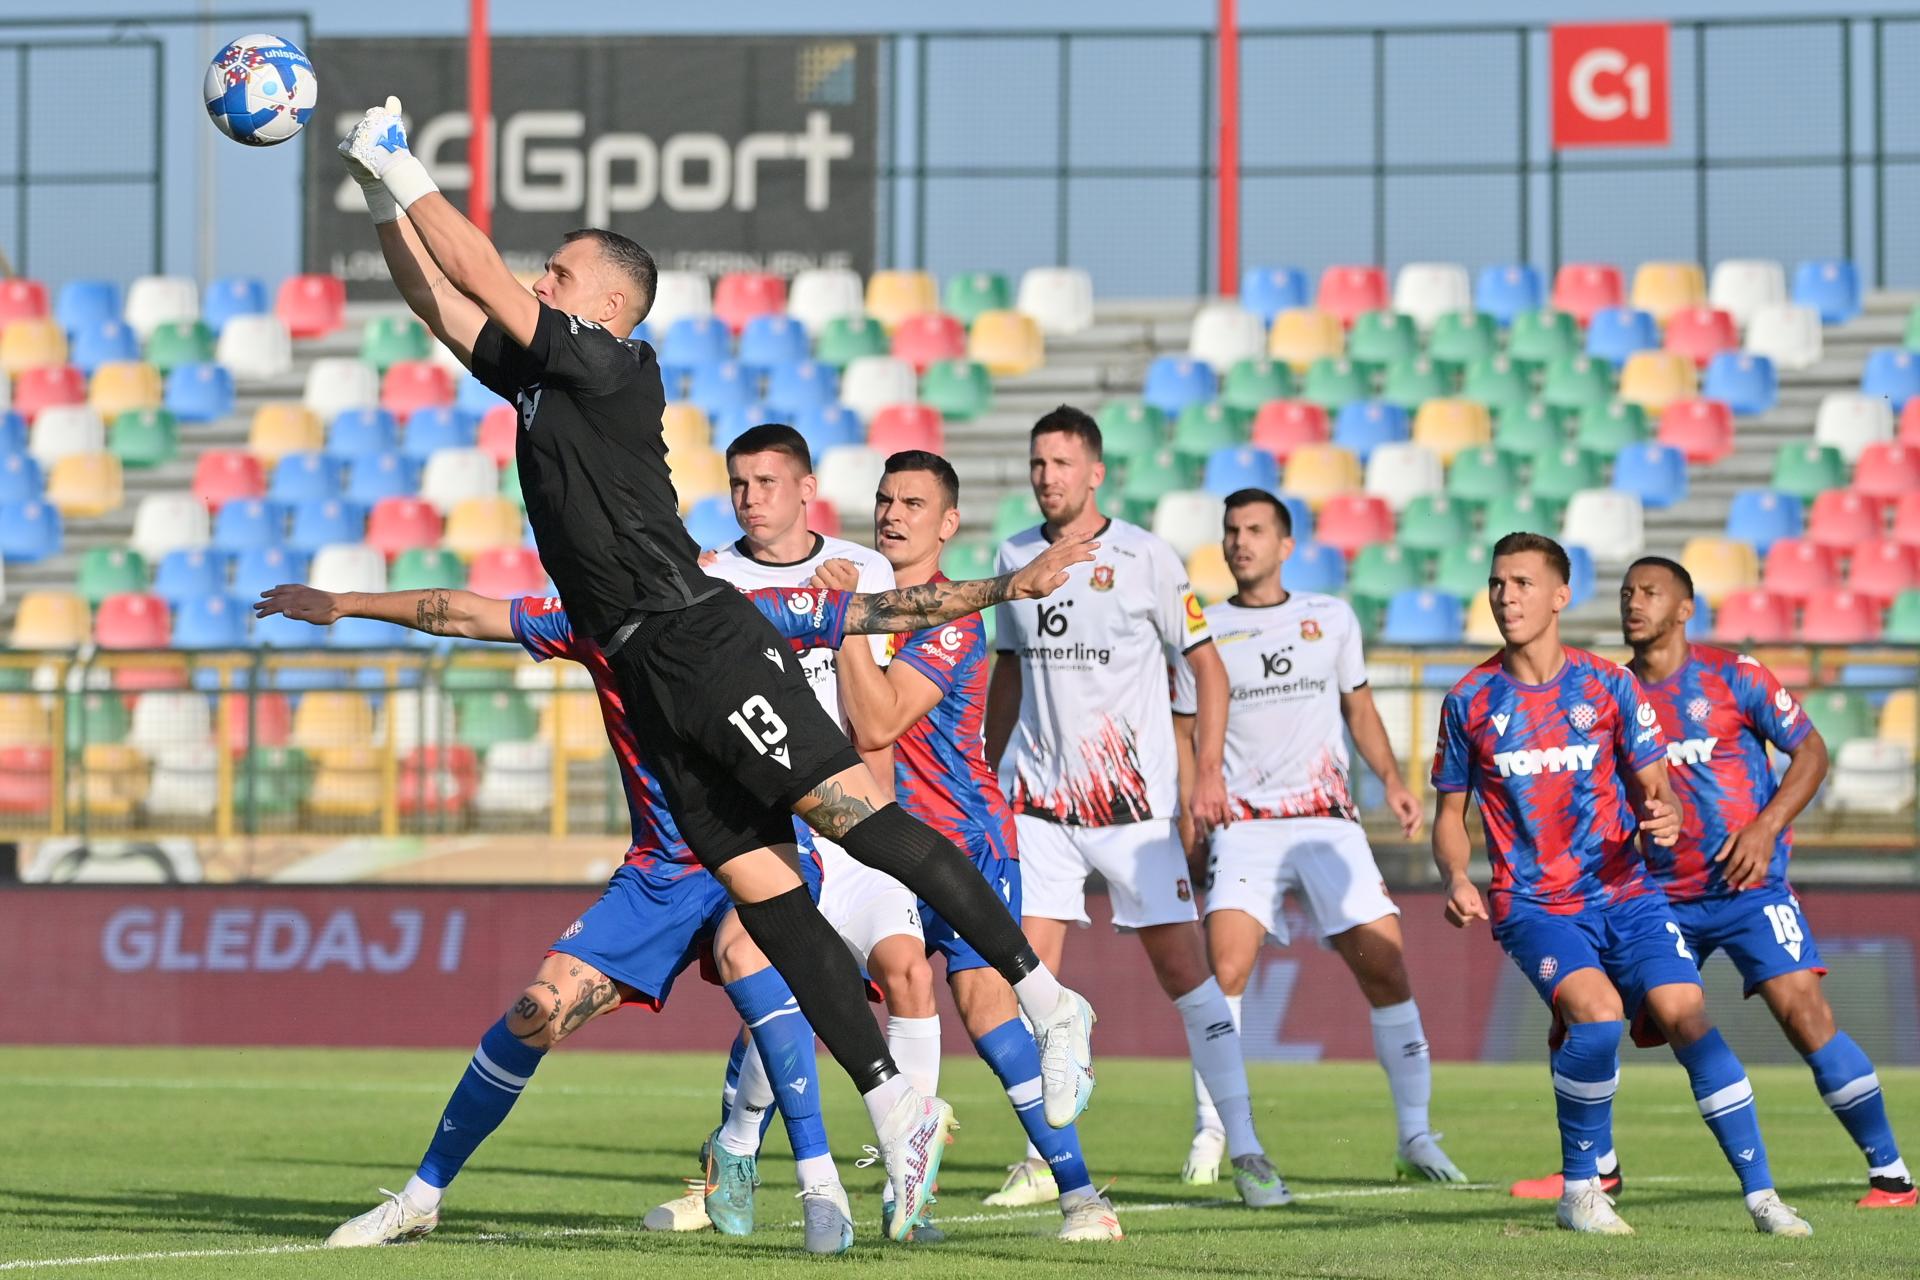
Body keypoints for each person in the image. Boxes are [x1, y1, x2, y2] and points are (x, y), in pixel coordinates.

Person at [336, 99, 1099, 1240]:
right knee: (764, 896)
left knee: (856, 819)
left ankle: (1050, 996)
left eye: (559, 273)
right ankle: (892, 1102)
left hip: (698, 636)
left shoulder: (612, 365)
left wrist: (407, 162)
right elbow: (439, 302)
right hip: (650, 673)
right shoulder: (543, 379)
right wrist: (373, 188)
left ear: (603, 303)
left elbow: (484, 275)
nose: (538, 284)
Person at [258, 571, 1075, 1251]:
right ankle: (419, 1198)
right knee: (536, 1011)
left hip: (759, 853)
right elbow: (471, 612)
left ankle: (821, 1183)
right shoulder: (590, 619)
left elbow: (881, 610)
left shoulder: (737, 608)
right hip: (659, 870)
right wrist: (347, 605)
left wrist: (1006, 588)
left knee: (749, 955)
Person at [1432, 532, 1811, 1237]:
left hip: (1626, 893)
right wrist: (1456, 874)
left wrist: (1659, 818)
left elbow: (1653, 789)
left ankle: (1763, 1197)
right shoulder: (1471, 700)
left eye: (1520, 583)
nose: (1505, 596)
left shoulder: (1609, 685)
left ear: (1559, 596)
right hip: (1536, 903)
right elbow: (1449, 814)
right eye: (1497, 583)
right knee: (1598, 1015)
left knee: (1686, 1014)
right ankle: (1582, 1190)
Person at [1512, 557, 1911, 1208]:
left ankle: (1891, 1173)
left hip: (1747, 887)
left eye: (1649, 592)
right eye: (1625, 593)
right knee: (1582, 1014)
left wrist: (1765, 826)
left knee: (1804, 1014)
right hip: (1653, 895)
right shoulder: (1604, 692)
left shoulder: (1734, 676)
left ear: (1684, 608)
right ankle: (1595, 1171)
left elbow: (1811, 751)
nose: (1633, 603)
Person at [983, 406, 1286, 1208]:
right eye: (1038, 462)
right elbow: (1009, 672)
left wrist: (1206, 776)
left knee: (1190, 978)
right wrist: (986, 767)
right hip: (1041, 808)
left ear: (1094, 473)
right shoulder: (1014, 554)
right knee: (1031, 984)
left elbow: (1208, 671)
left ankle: (1247, 1149)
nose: (1047, 476)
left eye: (1061, 463)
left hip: (1133, 814)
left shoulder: (1148, 557)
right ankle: (1041, 1159)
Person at [820, 449, 1122, 1242]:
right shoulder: (868, 602)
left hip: (961, 841)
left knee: (986, 1015)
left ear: (948, 523)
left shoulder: (952, 617)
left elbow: (880, 721)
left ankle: (1083, 1196)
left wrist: (843, 627)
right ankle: (902, 1194)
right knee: (856, 985)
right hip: (872, 844)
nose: (893, 514)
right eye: (886, 500)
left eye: (914, 504)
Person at [682, 423, 940, 1239]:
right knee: (793, 995)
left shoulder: (862, 571)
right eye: (739, 484)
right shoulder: (710, 576)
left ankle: (911, 1184)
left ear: (805, 489)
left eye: (766, 482)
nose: (751, 498)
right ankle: (740, 1141)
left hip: (854, 824)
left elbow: (874, 724)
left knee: (908, 974)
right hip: (772, 832)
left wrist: (842, 620)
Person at [1171, 489, 1464, 1186]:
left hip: (1328, 821)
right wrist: (1191, 811)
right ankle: (1212, 1134)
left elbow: (1357, 705)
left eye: (1255, 531)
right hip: (1245, 823)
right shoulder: (1203, 631)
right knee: (1228, 967)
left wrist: (1392, 779)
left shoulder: (1329, 618)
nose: (1241, 542)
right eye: (1232, 532)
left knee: (1386, 966)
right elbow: (1184, 733)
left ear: (1286, 545)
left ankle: (1416, 1136)